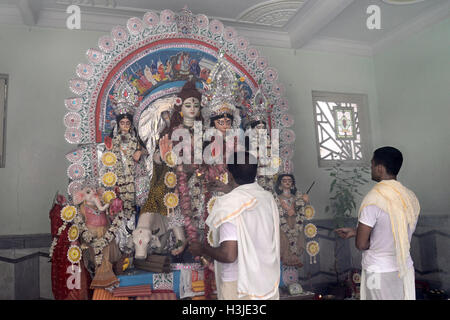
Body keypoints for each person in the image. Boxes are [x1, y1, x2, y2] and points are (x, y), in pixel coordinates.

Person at [189, 151, 280, 300]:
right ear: (255, 171)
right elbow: (248, 202)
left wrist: (202, 248)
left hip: (239, 285)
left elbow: (229, 255)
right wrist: (230, 190)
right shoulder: (267, 198)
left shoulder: (229, 204)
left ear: (230, 174)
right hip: (266, 281)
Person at [335, 146, 420, 300]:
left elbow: (361, 244)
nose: (371, 168)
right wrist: (356, 230)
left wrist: (363, 237)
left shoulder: (374, 198)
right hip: (404, 267)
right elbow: (394, 228)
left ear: (380, 168)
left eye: (372, 165)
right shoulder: (409, 197)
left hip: (377, 270)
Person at [274, 174, 310, 267]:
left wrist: (305, 201)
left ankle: (295, 258)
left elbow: (302, 211)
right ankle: (285, 259)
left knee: (297, 241)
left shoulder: (297, 198)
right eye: (284, 180)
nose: (287, 182)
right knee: (284, 242)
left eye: (289, 180)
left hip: (295, 225)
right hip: (282, 226)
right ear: (280, 184)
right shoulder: (276, 198)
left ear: (293, 184)